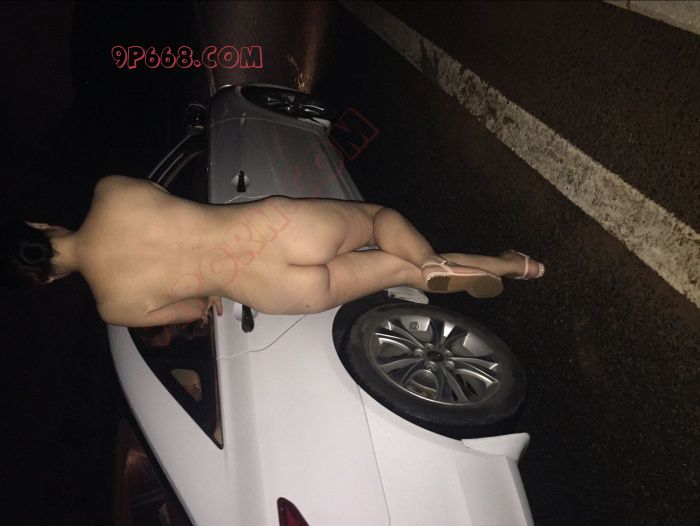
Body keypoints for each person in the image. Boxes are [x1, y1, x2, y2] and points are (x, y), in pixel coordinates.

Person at [1, 175, 544, 327]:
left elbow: (198, 308)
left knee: (392, 272)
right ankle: (473, 262)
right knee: (382, 221)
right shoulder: (109, 192)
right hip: (274, 230)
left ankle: (457, 269)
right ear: (39, 225)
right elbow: (168, 199)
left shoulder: (113, 308)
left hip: (278, 290)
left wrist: (204, 291)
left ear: (44, 279)